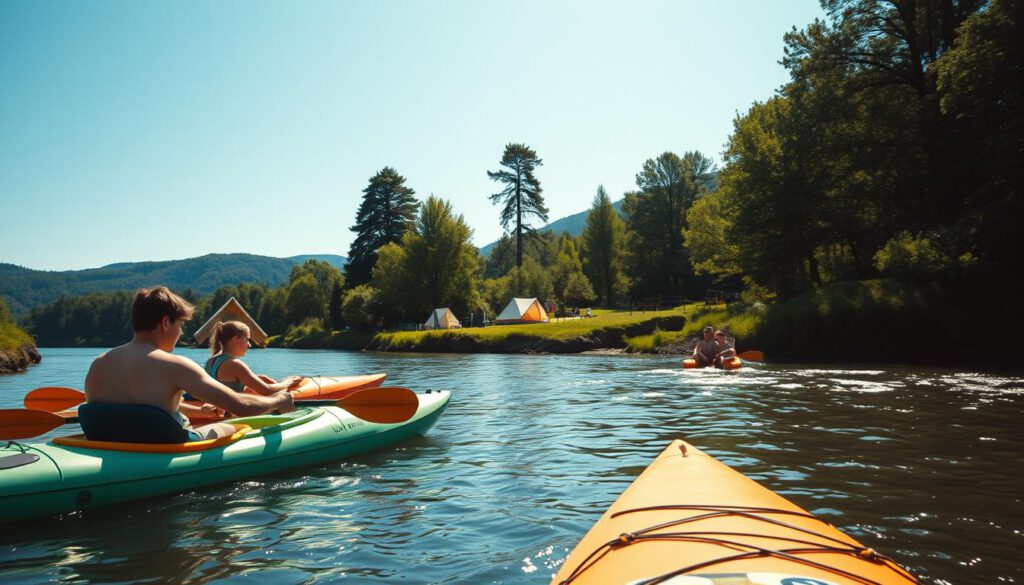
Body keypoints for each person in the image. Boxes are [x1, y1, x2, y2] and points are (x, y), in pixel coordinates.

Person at [83, 286, 295, 443]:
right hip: (163, 447)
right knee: (232, 428)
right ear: (166, 322)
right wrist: (277, 400)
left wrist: (199, 411)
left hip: (109, 447)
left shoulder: (99, 364)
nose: (181, 333)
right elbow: (241, 407)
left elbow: (134, 407)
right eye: (181, 325)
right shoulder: (176, 365)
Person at [204, 320, 303, 395]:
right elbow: (267, 390)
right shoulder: (234, 364)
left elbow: (225, 386)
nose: (249, 345)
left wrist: (254, 380)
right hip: (231, 414)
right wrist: (288, 382)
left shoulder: (211, 361)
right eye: (247, 340)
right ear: (235, 339)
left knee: (262, 379)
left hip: (220, 408)